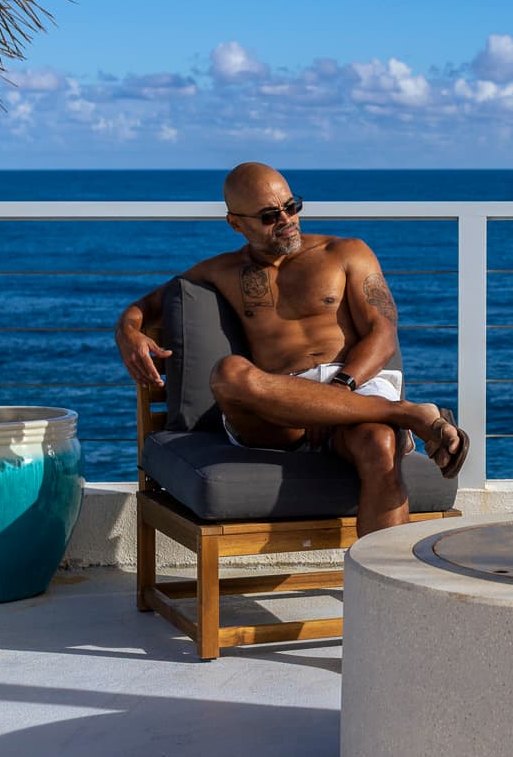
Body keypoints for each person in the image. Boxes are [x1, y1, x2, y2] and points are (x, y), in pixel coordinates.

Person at [115, 162, 470, 535]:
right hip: (279, 413)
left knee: (379, 443)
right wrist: (127, 331)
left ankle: (384, 588)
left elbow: (383, 334)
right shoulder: (221, 270)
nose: (286, 219)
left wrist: (336, 392)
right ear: (236, 223)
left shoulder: (346, 252)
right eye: (270, 216)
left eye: (291, 206)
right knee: (229, 373)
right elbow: (147, 307)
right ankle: (409, 414)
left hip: (354, 387)